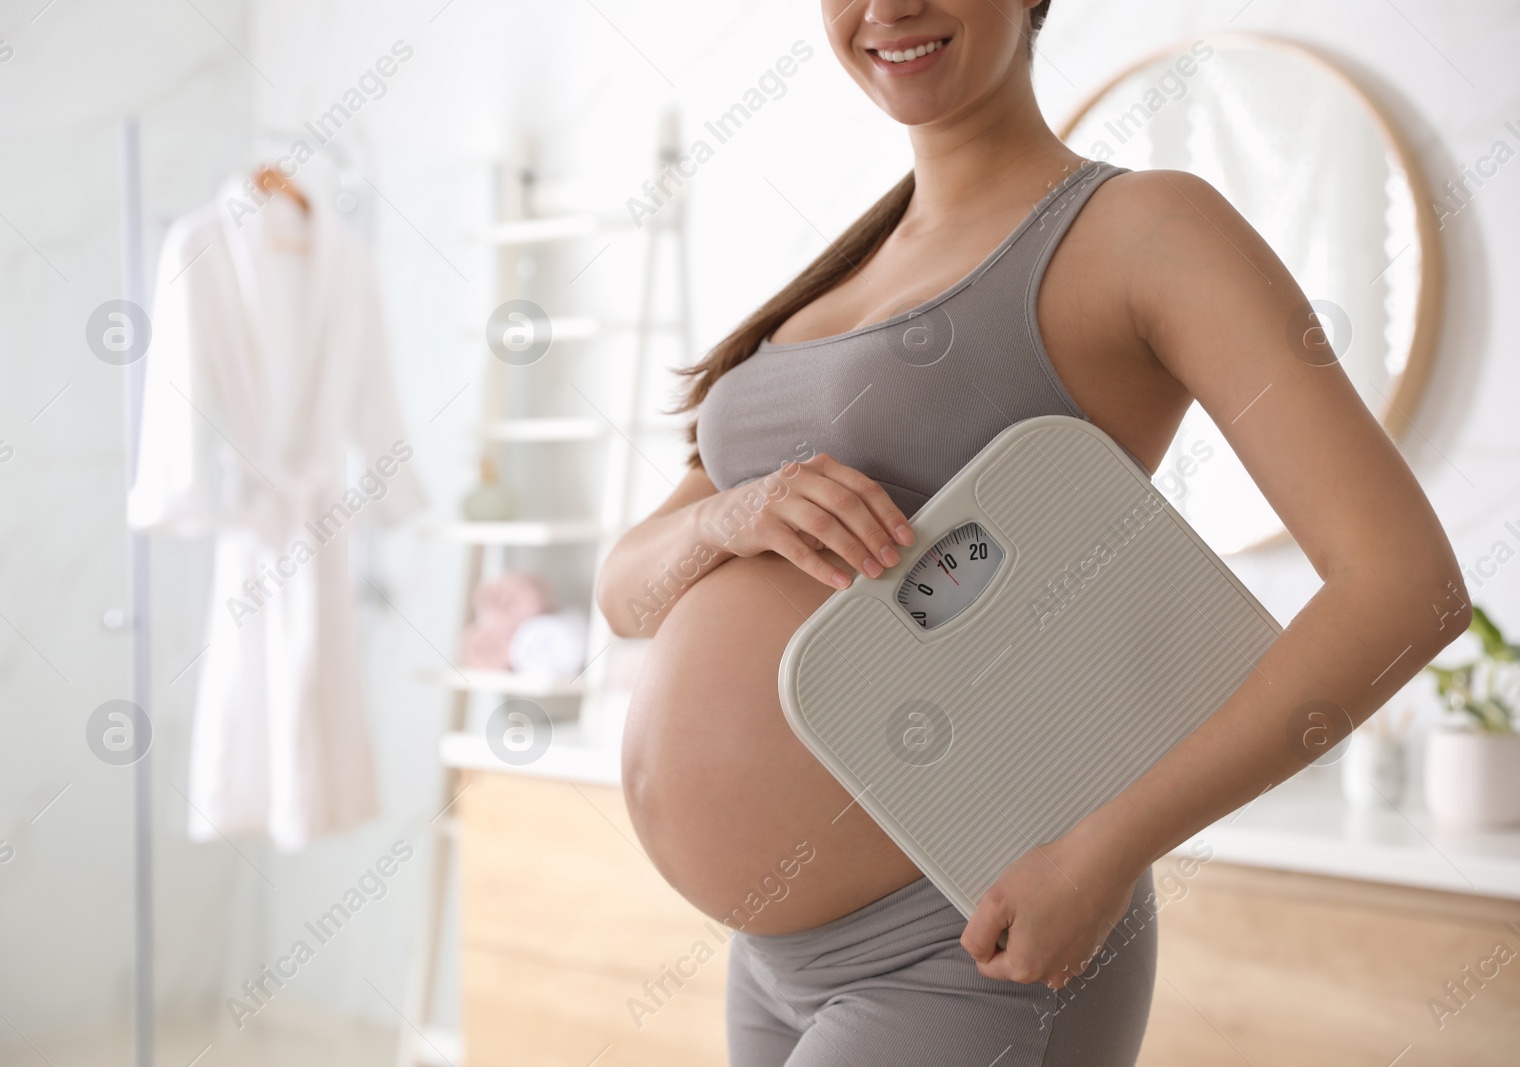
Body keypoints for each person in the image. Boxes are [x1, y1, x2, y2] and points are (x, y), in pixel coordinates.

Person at [597, 2, 1468, 1064]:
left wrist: (1104, 851)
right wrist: (730, 515)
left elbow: (1403, 587)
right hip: (771, 960)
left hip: (967, 945)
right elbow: (626, 589)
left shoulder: (1145, 229)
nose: (888, 9)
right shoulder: (830, 272)